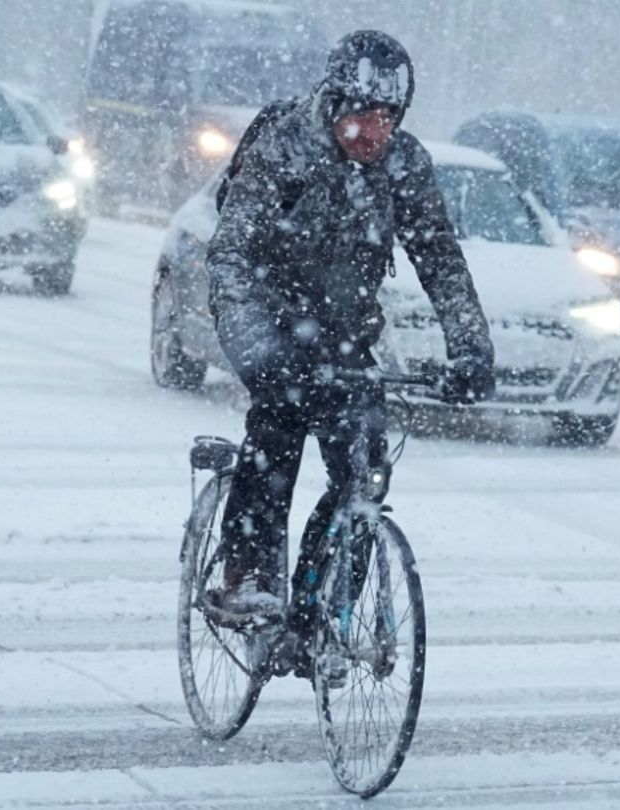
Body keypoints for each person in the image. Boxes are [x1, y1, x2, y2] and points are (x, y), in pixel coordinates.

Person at [207, 30, 496, 624]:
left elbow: (440, 260)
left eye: (389, 119)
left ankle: (326, 607)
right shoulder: (283, 147)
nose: (375, 133)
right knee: (276, 434)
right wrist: (254, 346)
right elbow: (231, 256)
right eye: (363, 117)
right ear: (336, 105)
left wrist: (470, 348)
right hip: (274, 324)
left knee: (366, 473)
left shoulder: (403, 164)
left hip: (347, 335)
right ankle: (246, 574)